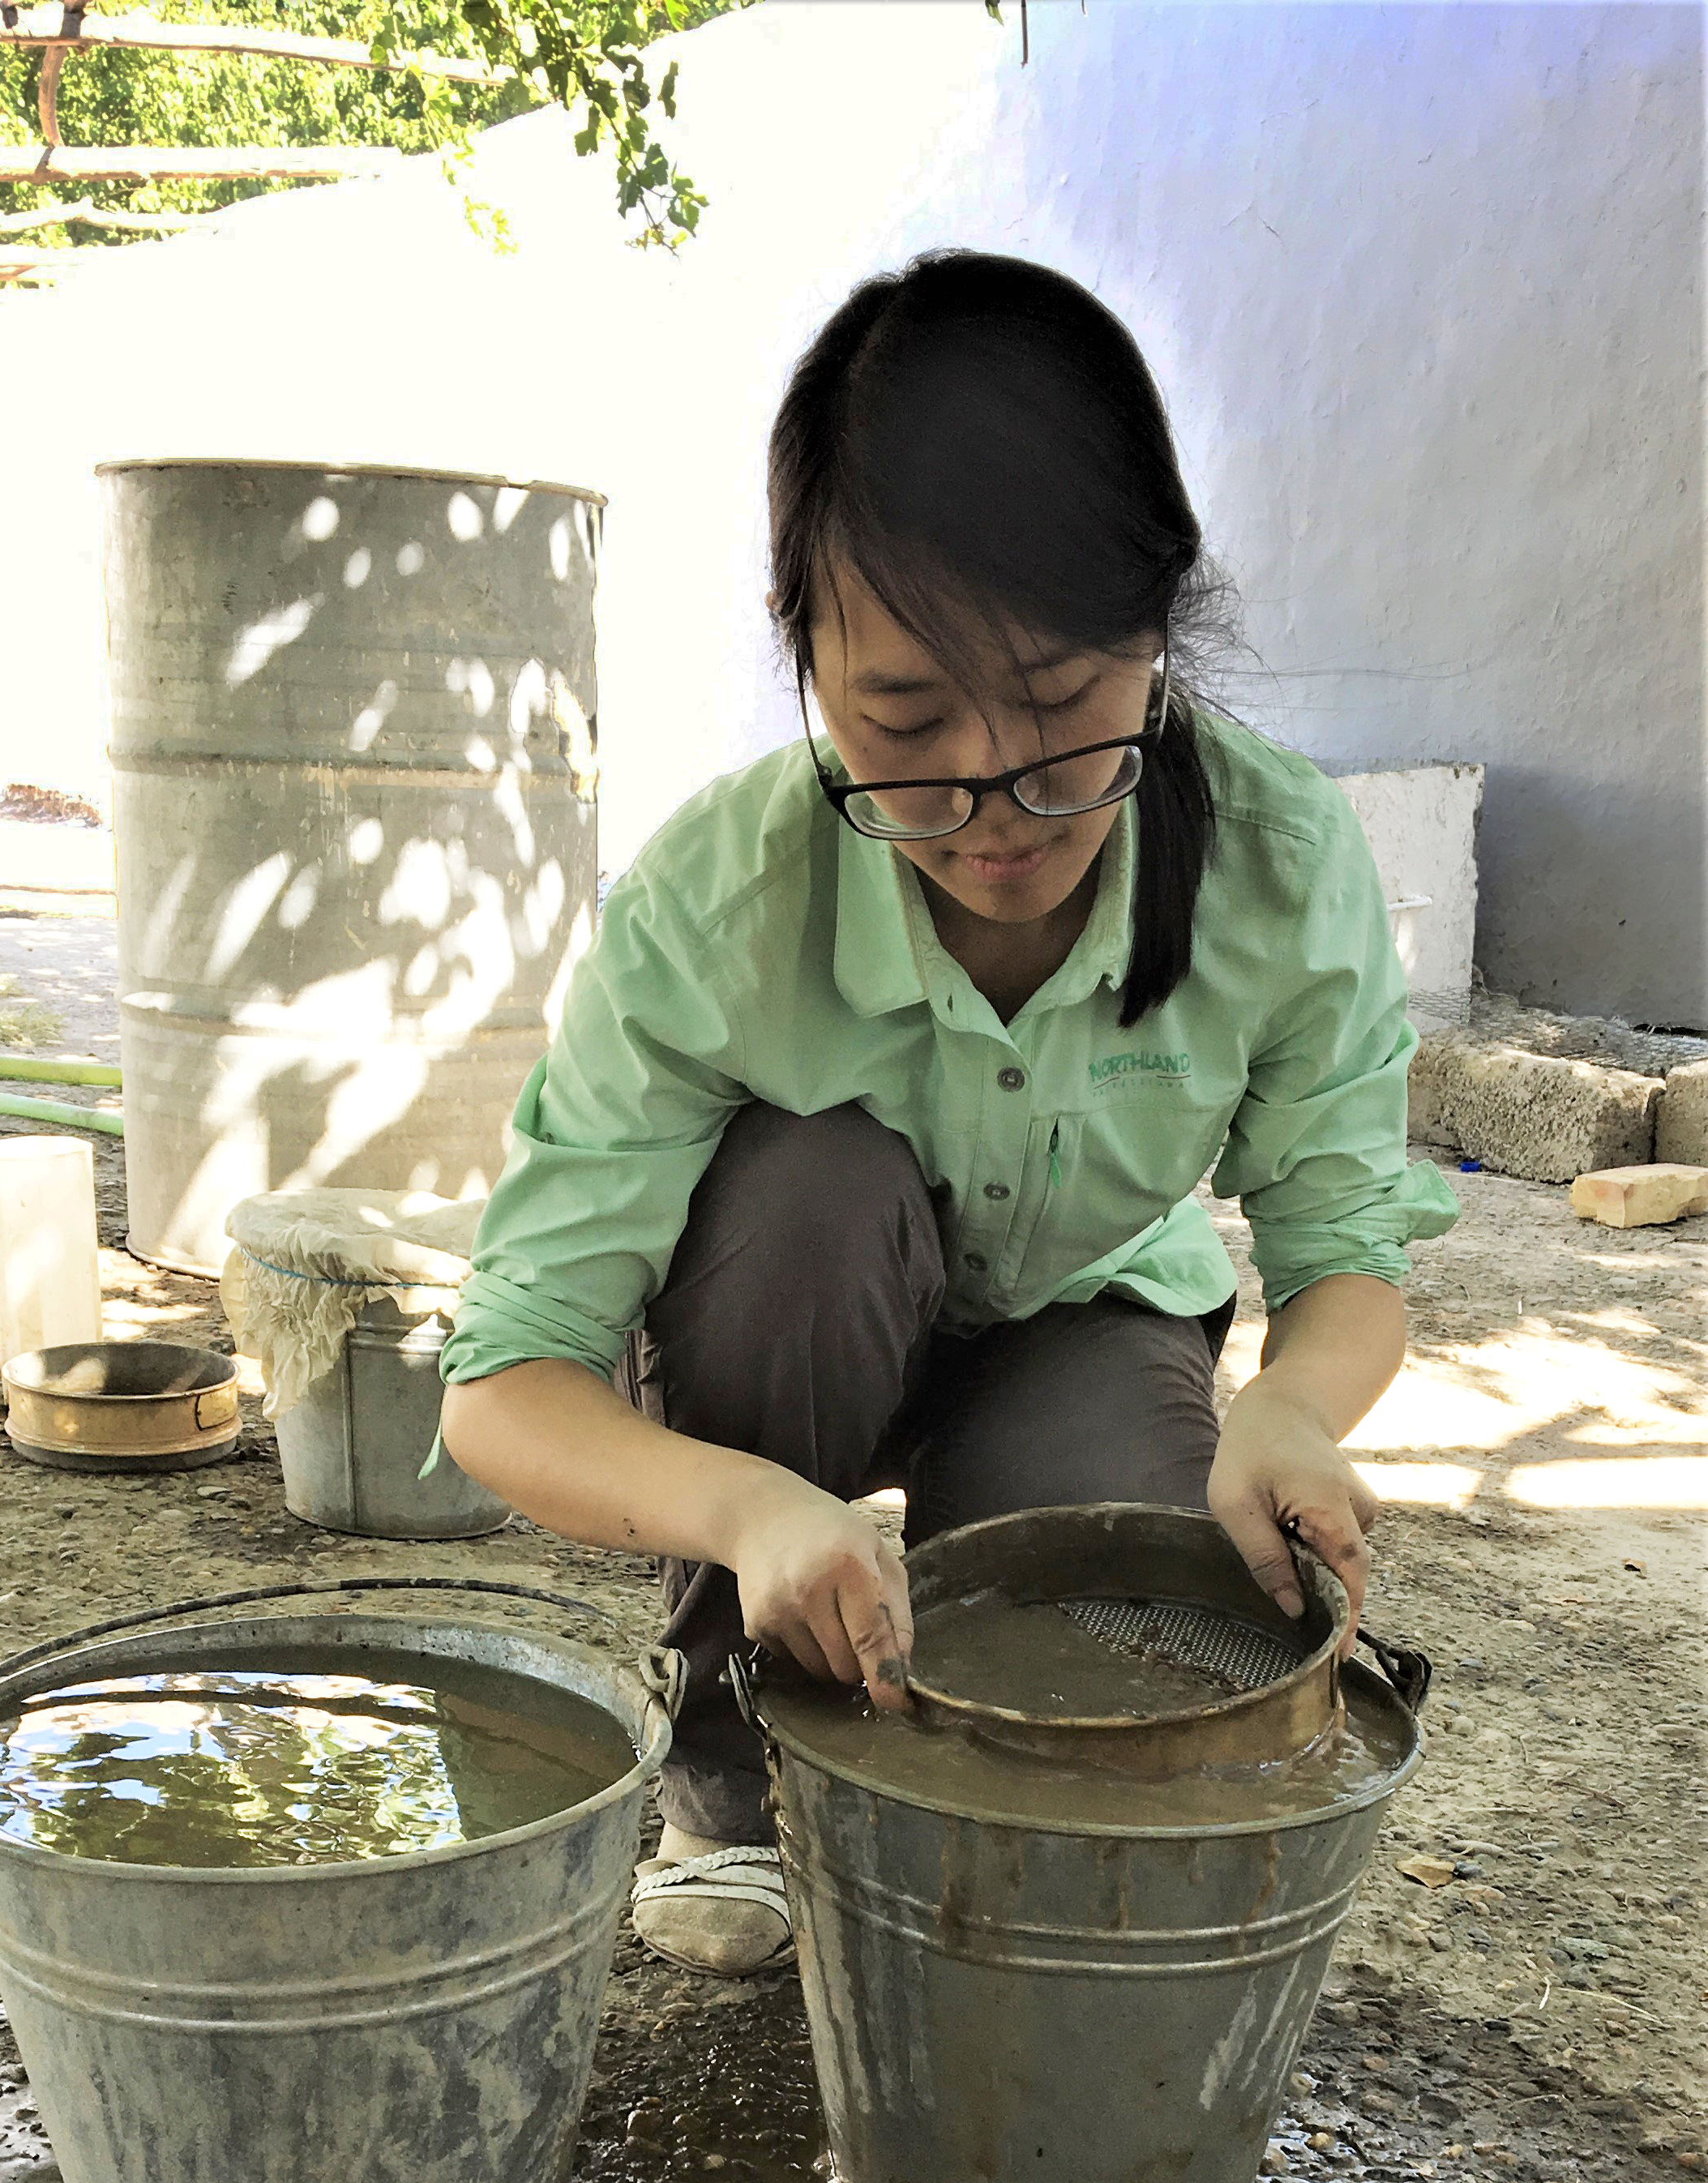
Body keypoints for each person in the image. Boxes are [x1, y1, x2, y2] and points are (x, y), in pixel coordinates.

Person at [439, 250, 1459, 1975]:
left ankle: (951, 1821)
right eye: (904, 724)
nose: (999, 809)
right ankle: (735, 1777)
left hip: (1085, 1313)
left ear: (1162, 632)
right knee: (814, 1200)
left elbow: (1344, 1247)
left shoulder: (1282, 864)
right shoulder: (715, 899)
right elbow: (504, 1389)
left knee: (1129, 1612)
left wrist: (1290, 1402)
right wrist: (755, 1510)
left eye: (1067, 711)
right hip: (803, 1310)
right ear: (809, 670)